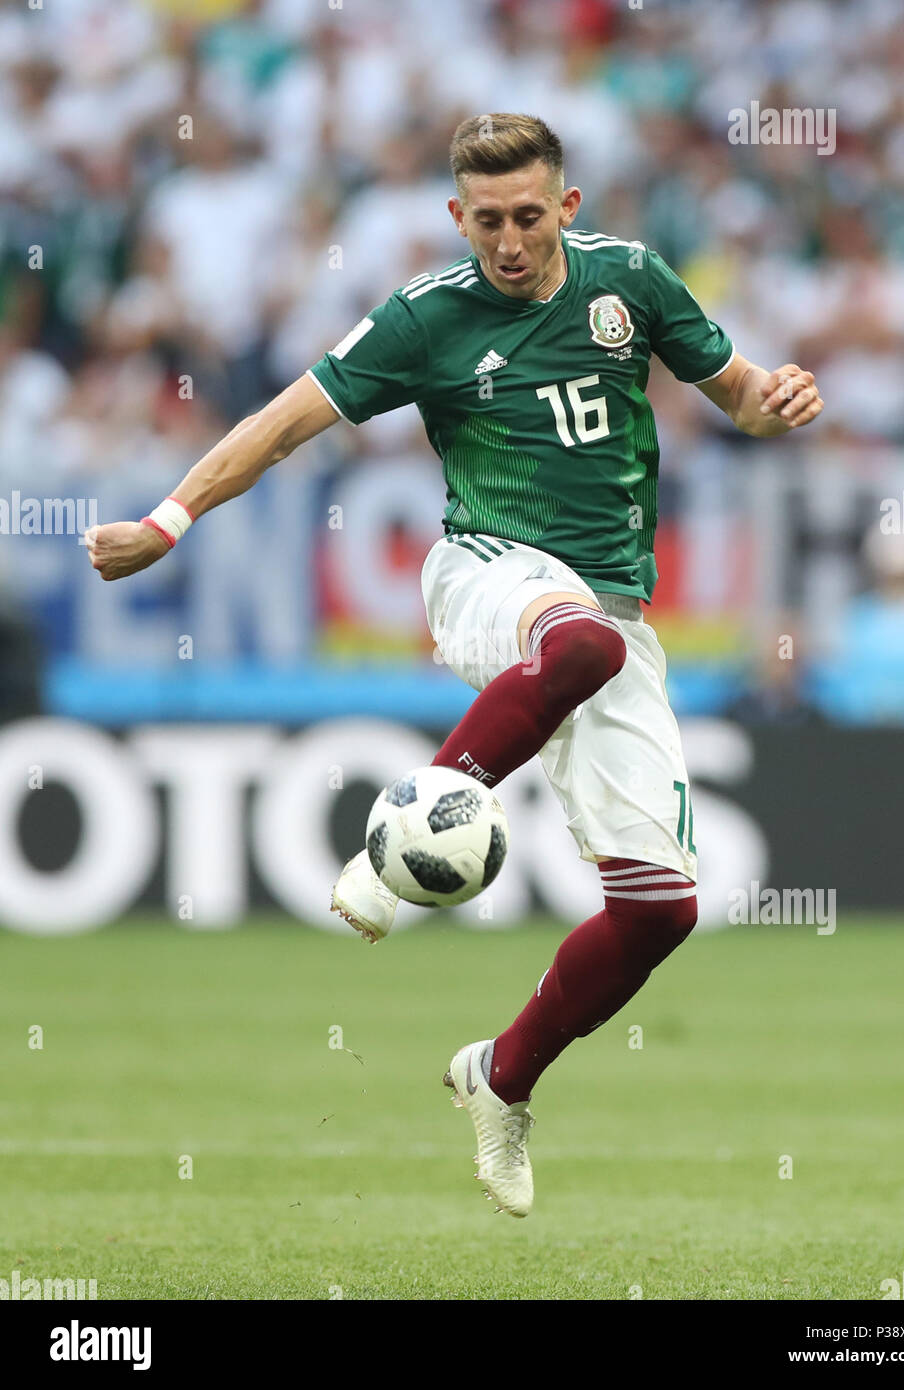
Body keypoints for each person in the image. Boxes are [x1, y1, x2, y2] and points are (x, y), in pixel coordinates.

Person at [85, 113, 823, 1218]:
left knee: (660, 908)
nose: (511, 241)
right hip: (484, 570)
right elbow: (283, 425)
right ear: (456, 216)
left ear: (566, 207)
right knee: (576, 640)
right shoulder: (426, 318)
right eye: (488, 221)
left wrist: (780, 403)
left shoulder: (633, 285)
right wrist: (167, 519)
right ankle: (400, 843)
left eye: (530, 216)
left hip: (611, 610)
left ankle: (500, 1076)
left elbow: (743, 399)